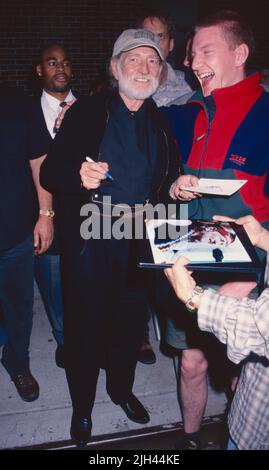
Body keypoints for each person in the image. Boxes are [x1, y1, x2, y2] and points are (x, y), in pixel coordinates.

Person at [40, 28, 179, 447]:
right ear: (116, 66)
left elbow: (166, 180)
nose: (144, 68)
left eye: (152, 61)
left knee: (128, 326)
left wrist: (176, 188)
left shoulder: (161, 120)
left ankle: (120, 390)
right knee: (85, 329)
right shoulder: (86, 112)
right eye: (133, 60)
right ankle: (82, 408)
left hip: (139, 241)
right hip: (91, 241)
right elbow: (50, 173)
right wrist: (78, 177)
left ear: (160, 72)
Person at [161, 10, 269, 449]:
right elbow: (149, 160)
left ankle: (240, 432)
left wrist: (255, 273)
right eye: (190, 54)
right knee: (191, 364)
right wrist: (173, 185)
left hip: (249, 271)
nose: (191, 62)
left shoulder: (266, 114)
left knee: (244, 369)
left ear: (240, 53)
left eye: (205, 51)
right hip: (191, 260)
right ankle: (189, 441)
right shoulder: (185, 114)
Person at [164, 214, 269, 450]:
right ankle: (191, 437)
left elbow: (260, 329)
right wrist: (263, 238)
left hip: (259, 432)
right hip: (251, 404)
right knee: (193, 364)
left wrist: (195, 298)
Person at [0, 84, 51, 402]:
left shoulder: (19, 102)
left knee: (20, 307)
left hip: (16, 231)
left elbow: (39, 163)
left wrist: (46, 214)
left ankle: (17, 361)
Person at [32, 44, 76, 368]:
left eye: (64, 62)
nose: (60, 68)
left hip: (87, 216)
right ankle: (64, 339)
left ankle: (89, 337)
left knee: (88, 282)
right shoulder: (27, 112)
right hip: (46, 214)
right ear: (39, 70)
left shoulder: (92, 107)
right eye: (52, 62)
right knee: (54, 285)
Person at [138, 8, 192, 107]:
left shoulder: (190, 85)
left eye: (160, 36)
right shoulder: (128, 86)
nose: (155, 42)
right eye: (147, 36)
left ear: (171, 44)